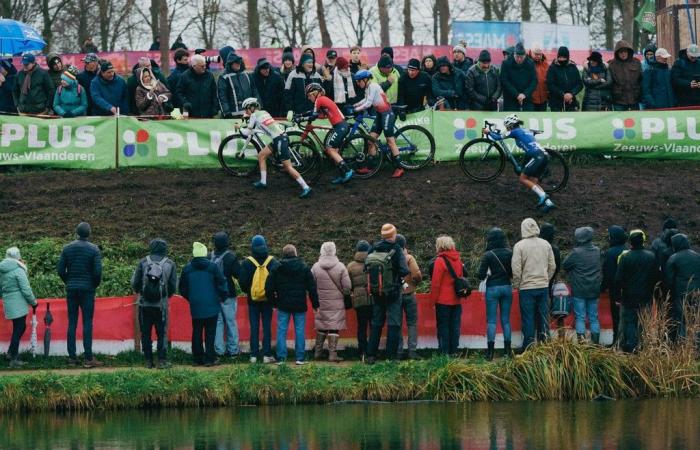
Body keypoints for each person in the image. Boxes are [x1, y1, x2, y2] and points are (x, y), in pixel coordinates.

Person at [238, 97, 312, 198]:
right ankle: (263, 182)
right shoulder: (264, 112)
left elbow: (247, 132)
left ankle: (306, 187)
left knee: (288, 167)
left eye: (246, 109)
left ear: (251, 107)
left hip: (279, 140)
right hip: (280, 137)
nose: (246, 111)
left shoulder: (254, 115)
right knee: (261, 156)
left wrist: (239, 128)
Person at [483, 114, 556, 212]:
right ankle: (548, 203)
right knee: (533, 182)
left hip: (537, 156)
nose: (507, 128)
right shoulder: (524, 130)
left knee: (523, 178)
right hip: (544, 155)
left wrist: (488, 132)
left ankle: (544, 196)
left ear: (511, 125)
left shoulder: (515, 131)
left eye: (507, 127)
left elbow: (498, 137)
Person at [56, 222, 103, 368]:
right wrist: (93, 285)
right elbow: (97, 272)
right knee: (87, 322)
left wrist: (68, 281)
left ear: (77, 232)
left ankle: (72, 358)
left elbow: (60, 270)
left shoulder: (67, 248)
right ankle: (89, 358)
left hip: (72, 289)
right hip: (87, 289)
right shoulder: (94, 249)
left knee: (72, 322)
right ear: (88, 233)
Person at [266, 244, 318, 365]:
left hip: (282, 304)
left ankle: (281, 358)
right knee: (300, 330)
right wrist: (315, 304)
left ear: (283, 254)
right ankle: (300, 358)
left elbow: (268, 287)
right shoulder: (304, 267)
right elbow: (312, 288)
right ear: (295, 253)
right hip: (299, 304)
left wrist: (273, 302)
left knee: (281, 330)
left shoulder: (276, 267)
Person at [365, 224, 410, 364]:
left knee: (376, 323)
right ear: (394, 235)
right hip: (393, 292)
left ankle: (370, 355)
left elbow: (364, 268)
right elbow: (404, 271)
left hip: (377, 292)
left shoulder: (372, 248)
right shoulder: (396, 248)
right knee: (394, 324)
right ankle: (390, 356)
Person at [179, 242, 228, 366]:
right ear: (205, 253)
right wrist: (221, 297)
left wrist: (191, 298)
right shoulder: (213, 267)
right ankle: (209, 359)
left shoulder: (187, 269)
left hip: (196, 305)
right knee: (210, 333)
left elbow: (182, 289)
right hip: (212, 304)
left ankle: (197, 359)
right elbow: (222, 283)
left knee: (196, 331)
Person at [130, 239, 177, 369]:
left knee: (145, 333)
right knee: (162, 333)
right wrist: (165, 297)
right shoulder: (170, 263)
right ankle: (162, 360)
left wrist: (141, 292)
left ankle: (148, 361)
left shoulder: (143, 262)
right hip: (161, 306)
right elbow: (173, 285)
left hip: (144, 304)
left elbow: (135, 282)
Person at [512, 218, 556, 351]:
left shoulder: (519, 246)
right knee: (543, 316)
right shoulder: (546, 244)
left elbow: (516, 269)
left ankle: (529, 346)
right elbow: (552, 266)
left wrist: (517, 284)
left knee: (528, 317)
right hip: (543, 287)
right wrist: (546, 279)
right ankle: (545, 344)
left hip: (526, 288)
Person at [352, 70, 405, 178]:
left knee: (390, 141)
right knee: (371, 140)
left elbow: (369, 103)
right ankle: (370, 167)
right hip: (380, 114)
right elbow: (365, 100)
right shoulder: (368, 87)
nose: (358, 84)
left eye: (358, 81)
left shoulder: (373, 86)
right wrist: (354, 105)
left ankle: (399, 168)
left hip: (387, 114)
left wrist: (356, 109)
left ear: (365, 80)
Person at [239, 235, 280, 363]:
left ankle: (253, 355)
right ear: (265, 245)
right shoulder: (272, 262)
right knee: (267, 326)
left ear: (252, 246)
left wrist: (250, 292)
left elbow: (243, 282)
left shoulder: (247, 262)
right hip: (268, 300)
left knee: (254, 326)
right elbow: (277, 281)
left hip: (253, 300)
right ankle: (267, 354)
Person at [615, 230, 658, 353]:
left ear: (630, 243)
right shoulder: (651, 256)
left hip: (629, 296)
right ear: (643, 242)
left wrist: (618, 297)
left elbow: (618, 279)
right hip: (646, 295)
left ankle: (630, 346)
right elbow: (656, 276)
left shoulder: (625, 257)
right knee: (643, 321)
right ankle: (643, 346)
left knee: (630, 321)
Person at [305, 83, 354, 184]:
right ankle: (343, 174)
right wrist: (302, 114)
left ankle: (347, 170)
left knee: (329, 149)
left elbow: (314, 115)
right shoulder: (323, 100)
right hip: (341, 126)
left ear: (315, 93)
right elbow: (321, 115)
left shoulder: (320, 100)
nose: (309, 98)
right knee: (333, 152)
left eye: (309, 96)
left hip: (340, 127)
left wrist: (302, 118)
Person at [311, 242, 351, 362]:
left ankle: (317, 352)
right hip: (337, 303)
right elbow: (347, 286)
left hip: (321, 301)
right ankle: (332, 354)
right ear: (334, 251)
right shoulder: (340, 267)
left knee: (322, 326)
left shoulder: (315, 267)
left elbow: (311, 285)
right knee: (334, 327)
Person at [477, 228, 513, 360]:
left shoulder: (488, 255)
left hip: (492, 288)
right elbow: (513, 272)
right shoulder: (510, 253)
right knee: (506, 320)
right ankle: (508, 351)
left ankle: (490, 352)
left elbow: (480, 275)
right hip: (507, 287)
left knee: (492, 321)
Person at [562, 227, 602, 344]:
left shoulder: (576, 252)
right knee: (594, 318)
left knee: (580, 317)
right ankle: (595, 344)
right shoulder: (597, 251)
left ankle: (581, 344)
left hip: (579, 290)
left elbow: (565, 265)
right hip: (594, 289)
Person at [0, 247, 37, 368]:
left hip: (8, 301)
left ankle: (11, 353)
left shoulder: (2, 269)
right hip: (19, 303)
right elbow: (26, 289)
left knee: (18, 327)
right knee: (20, 327)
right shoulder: (19, 270)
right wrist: (33, 302)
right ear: (18, 256)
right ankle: (14, 359)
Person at [430, 235, 465, 356]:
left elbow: (435, 283)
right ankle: (454, 351)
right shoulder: (458, 259)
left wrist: (433, 301)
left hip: (443, 301)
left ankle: (444, 352)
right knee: (455, 326)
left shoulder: (440, 261)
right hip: (456, 299)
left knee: (443, 326)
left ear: (440, 246)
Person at [210, 232, 241, 358]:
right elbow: (238, 275)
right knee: (231, 322)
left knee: (218, 323)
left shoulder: (209, 256)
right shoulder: (230, 257)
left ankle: (219, 350)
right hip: (228, 294)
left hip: (214, 295)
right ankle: (233, 351)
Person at [665, 234, 700, 341]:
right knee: (695, 318)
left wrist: (668, 294)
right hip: (697, 292)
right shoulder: (697, 256)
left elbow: (669, 280)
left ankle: (683, 344)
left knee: (682, 319)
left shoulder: (674, 258)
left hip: (681, 294)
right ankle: (696, 344)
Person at [396, 234, 422, 360]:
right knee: (412, 323)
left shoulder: (390, 257)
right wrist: (414, 283)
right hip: (409, 294)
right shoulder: (409, 258)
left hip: (395, 295)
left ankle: (398, 351)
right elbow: (417, 274)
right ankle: (412, 351)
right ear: (405, 245)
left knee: (397, 324)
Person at [601, 226, 627, 346]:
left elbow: (608, 273)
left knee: (616, 317)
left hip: (615, 290)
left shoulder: (610, 253)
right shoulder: (627, 250)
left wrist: (602, 287)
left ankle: (617, 341)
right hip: (627, 288)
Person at [346, 240, 372, 359]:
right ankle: (372, 350)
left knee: (361, 326)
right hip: (373, 297)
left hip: (358, 298)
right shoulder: (373, 262)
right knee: (373, 325)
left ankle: (362, 351)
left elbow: (348, 285)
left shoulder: (351, 266)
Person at [538, 222, 560, 341]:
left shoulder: (539, 247)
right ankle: (546, 338)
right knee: (545, 313)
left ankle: (536, 338)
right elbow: (558, 267)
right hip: (549, 283)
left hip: (535, 282)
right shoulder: (554, 249)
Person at [218, 52, 258, 117]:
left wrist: (257, 106)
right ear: (230, 63)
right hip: (233, 115)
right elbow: (222, 96)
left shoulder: (247, 75)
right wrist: (226, 112)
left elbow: (254, 91)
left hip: (249, 113)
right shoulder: (224, 77)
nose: (238, 64)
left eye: (239, 62)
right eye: (236, 62)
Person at [500, 43, 537, 111]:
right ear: (514, 54)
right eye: (517, 57)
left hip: (526, 97)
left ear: (525, 56)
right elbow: (504, 81)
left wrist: (524, 94)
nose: (519, 59)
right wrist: (517, 94)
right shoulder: (506, 63)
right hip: (510, 98)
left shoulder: (530, 63)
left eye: (521, 57)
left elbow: (534, 81)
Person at [608, 40, 642, 111]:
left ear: (629, 52)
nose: (623, 54)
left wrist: (639, 92)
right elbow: (610, 82)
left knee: (635, 120)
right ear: (617, 53)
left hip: (634, 98)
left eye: (625, 51)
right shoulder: (612, 64)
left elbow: (641, 79)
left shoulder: (636, 62)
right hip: (619, 100)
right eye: (621, 52)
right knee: (619, 121)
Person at [546, 46, 583, 112]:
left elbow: (579, 84)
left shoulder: (573, 67)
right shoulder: (552, 68)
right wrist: (563, 94)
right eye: (560, 57)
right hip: (556, 103)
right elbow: (550, 84)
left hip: (571, 102)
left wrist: (571, 94)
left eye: (564, 57)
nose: (562, 59)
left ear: (567, 57)